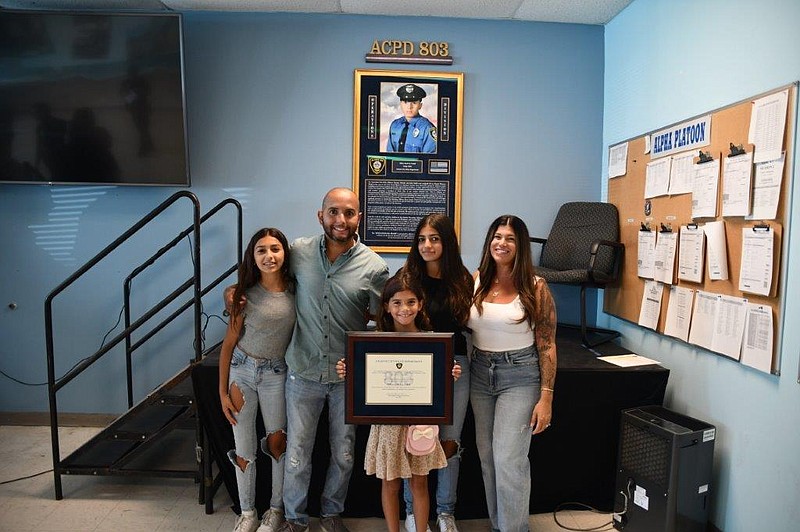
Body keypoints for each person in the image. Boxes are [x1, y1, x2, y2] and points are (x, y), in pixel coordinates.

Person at [280, 188, 390, 532]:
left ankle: (331, 515)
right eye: (333, 212)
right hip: (303, 371)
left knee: (343, 453)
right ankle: (295, 519)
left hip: (347, 378)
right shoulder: (296, 253)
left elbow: (383, 320)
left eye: (349, 213)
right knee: (297, 452)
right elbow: (265, 281)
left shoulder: (375, 267)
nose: (341, 220)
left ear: (360, 217)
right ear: (320, 215)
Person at [335, 272, 461, 532]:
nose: (405, 309)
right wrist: (349, 370)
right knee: (390, 483)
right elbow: (361, 379)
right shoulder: (373, 341)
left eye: (411, 302)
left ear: (421, 304)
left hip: (420, 424)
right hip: (387, 424)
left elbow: (439, 382)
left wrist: (451, 374)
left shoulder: (433, 339)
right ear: (386, 306)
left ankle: (421, 528)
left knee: (419, 484)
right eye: (397, 303)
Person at [467, 215, 557, 532]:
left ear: (520, 246)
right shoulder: (477, 280)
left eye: (510, 238)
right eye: (497, 236)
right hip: (480, 373)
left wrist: (546, 397)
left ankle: (514, 529)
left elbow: (547, 344)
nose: (501, 243)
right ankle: (500, 525)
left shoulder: (536, 287)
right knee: (488, 458)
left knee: (509, 460)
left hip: (519, 376)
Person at [399, 214, 473, 532]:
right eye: (422, 239)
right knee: (414, 441)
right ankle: (413, 512)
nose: (427, 245)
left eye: (434, 238)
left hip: (455, 367)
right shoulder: (408, 278)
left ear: (447, 242)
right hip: (416, 368)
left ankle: (445, 512)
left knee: (449, 442)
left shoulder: (464, 280)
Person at [219, 228, 296, 532]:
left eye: (275, 249)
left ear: (285, 253)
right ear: (252, 256)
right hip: (241, 373)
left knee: (278, 444)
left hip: (277, 374)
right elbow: (227, 346)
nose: (269, 256)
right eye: (261, 250)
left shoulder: (295, 289)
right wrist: (222, 393)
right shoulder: (241, 296)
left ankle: (275, 510)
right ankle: (248, 512)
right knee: (244, 448)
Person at [386, 84, 437, 154]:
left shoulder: (427, 128)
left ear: (420, 106)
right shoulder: (395, 125)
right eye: (406, 102)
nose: (409, 107)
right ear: (400, 104)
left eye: (414, 103)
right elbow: (389, 155)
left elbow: (428, 160)